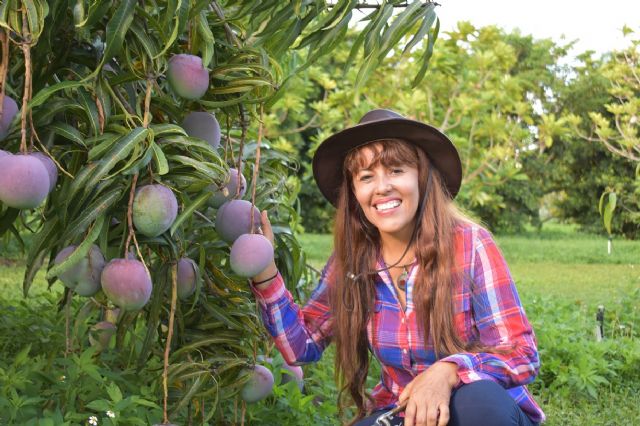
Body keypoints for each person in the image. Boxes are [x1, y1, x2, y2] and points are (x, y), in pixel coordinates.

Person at [250, 109, 545, 426]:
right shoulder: (352, 262)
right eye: (366, 177)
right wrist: (265, 270)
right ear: (354, 193)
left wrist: (449, 371)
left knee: (478, 402)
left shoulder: (470, 244)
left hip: (477, 412)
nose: (381, 187)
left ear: (420, 177)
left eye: (395, 170)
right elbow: (302, 346)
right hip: (405, 414)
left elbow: (520, 353)